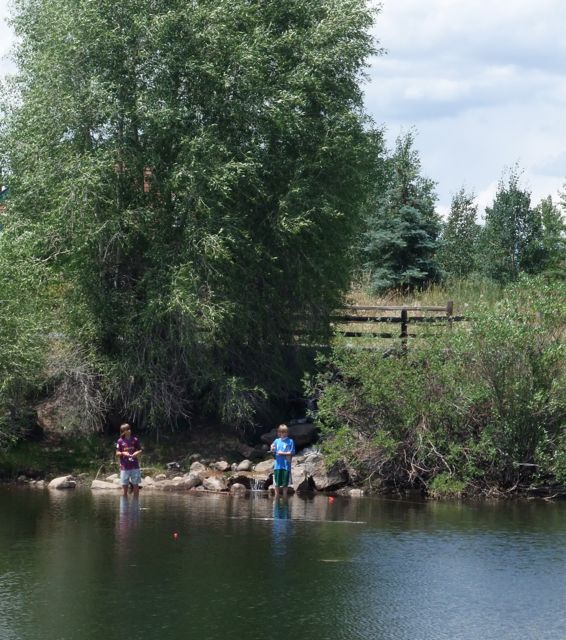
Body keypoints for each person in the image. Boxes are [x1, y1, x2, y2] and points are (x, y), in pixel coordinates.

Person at [116, 423, 142, 498]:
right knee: (124, 487)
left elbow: (140, 450)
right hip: (124, 467)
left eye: (129, 429)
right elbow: (117, 453)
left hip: (135, 466)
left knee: (136, 485)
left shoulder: (135, 439)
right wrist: (123, 453)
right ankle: (124, 507)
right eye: (127, 429)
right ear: (123, 431)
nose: (129, 430)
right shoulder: (120, 441)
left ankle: (135, 506)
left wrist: (136, 453)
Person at [270, 424, 295, 499]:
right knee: (277, 483)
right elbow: (272, 449)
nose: (282, 434)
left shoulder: (290, 441)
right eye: (281, 432)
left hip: (286, 465)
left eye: (284, 432)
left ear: (287, 433)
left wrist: (282, 453)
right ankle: (276, 497)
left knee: (285, 484)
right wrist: (272, 447)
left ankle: (284, 497)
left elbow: (292, 452)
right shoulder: (276, 441)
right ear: (278, 433)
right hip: (277, 465)